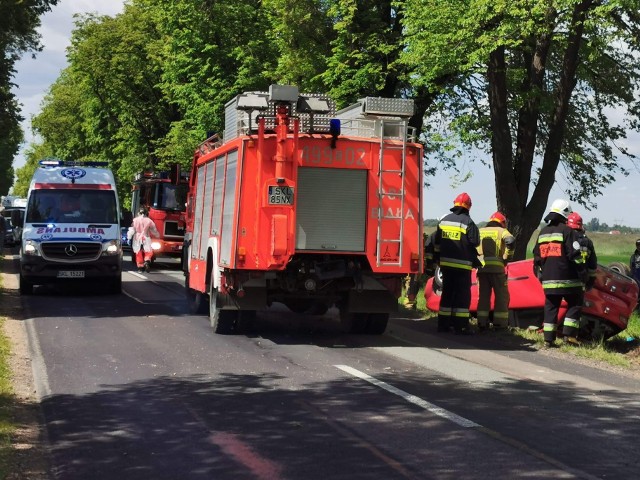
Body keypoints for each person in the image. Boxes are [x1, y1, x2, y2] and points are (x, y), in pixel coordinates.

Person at [533, 199, 588, 347]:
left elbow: (536, 257)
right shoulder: (568, 232)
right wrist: (583, 273)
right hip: (569, 280)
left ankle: (548, 339)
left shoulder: (543, 233)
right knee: (575, 303)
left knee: (551, 307)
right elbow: (575, 255)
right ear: (565, 214)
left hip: (548, 279)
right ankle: (569, 337)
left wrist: (540, 274)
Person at [433, 192, 480, 334]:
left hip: (446, 265)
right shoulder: (468, 222)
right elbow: (475, 242)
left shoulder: (443, 221)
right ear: (468, 207)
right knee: (462, 296)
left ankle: (443, 325)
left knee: (447, 294)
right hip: (462, 266)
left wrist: (438, 260)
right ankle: (461, 326)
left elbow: (436, 243)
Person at [476, 211, 515, 330]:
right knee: (502, 296)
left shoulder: (480, 231)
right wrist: (508, 256)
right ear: (502, 223)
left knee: (483, 297)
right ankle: (500, 324)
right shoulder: (502, 231)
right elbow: (510, 241)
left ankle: (482, 323)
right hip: (497, 269)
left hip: (482, 270)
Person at [567, 212, 597, 290]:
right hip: (581, 282)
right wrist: (590, 283)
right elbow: (592, 266)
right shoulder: (588, 242)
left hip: (563, 280)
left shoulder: (565, 239)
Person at [128, 207, 160, 273]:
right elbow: (153, 230)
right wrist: (157, 235)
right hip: (146, 238)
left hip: (137, 239)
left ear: (139, 213)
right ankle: (147, 261)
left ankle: (140, 267)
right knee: (148, 251)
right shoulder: (149, 221)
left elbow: (132, 230)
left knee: (138, 253)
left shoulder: (135, 220)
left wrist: (129, 237)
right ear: (146, 213)